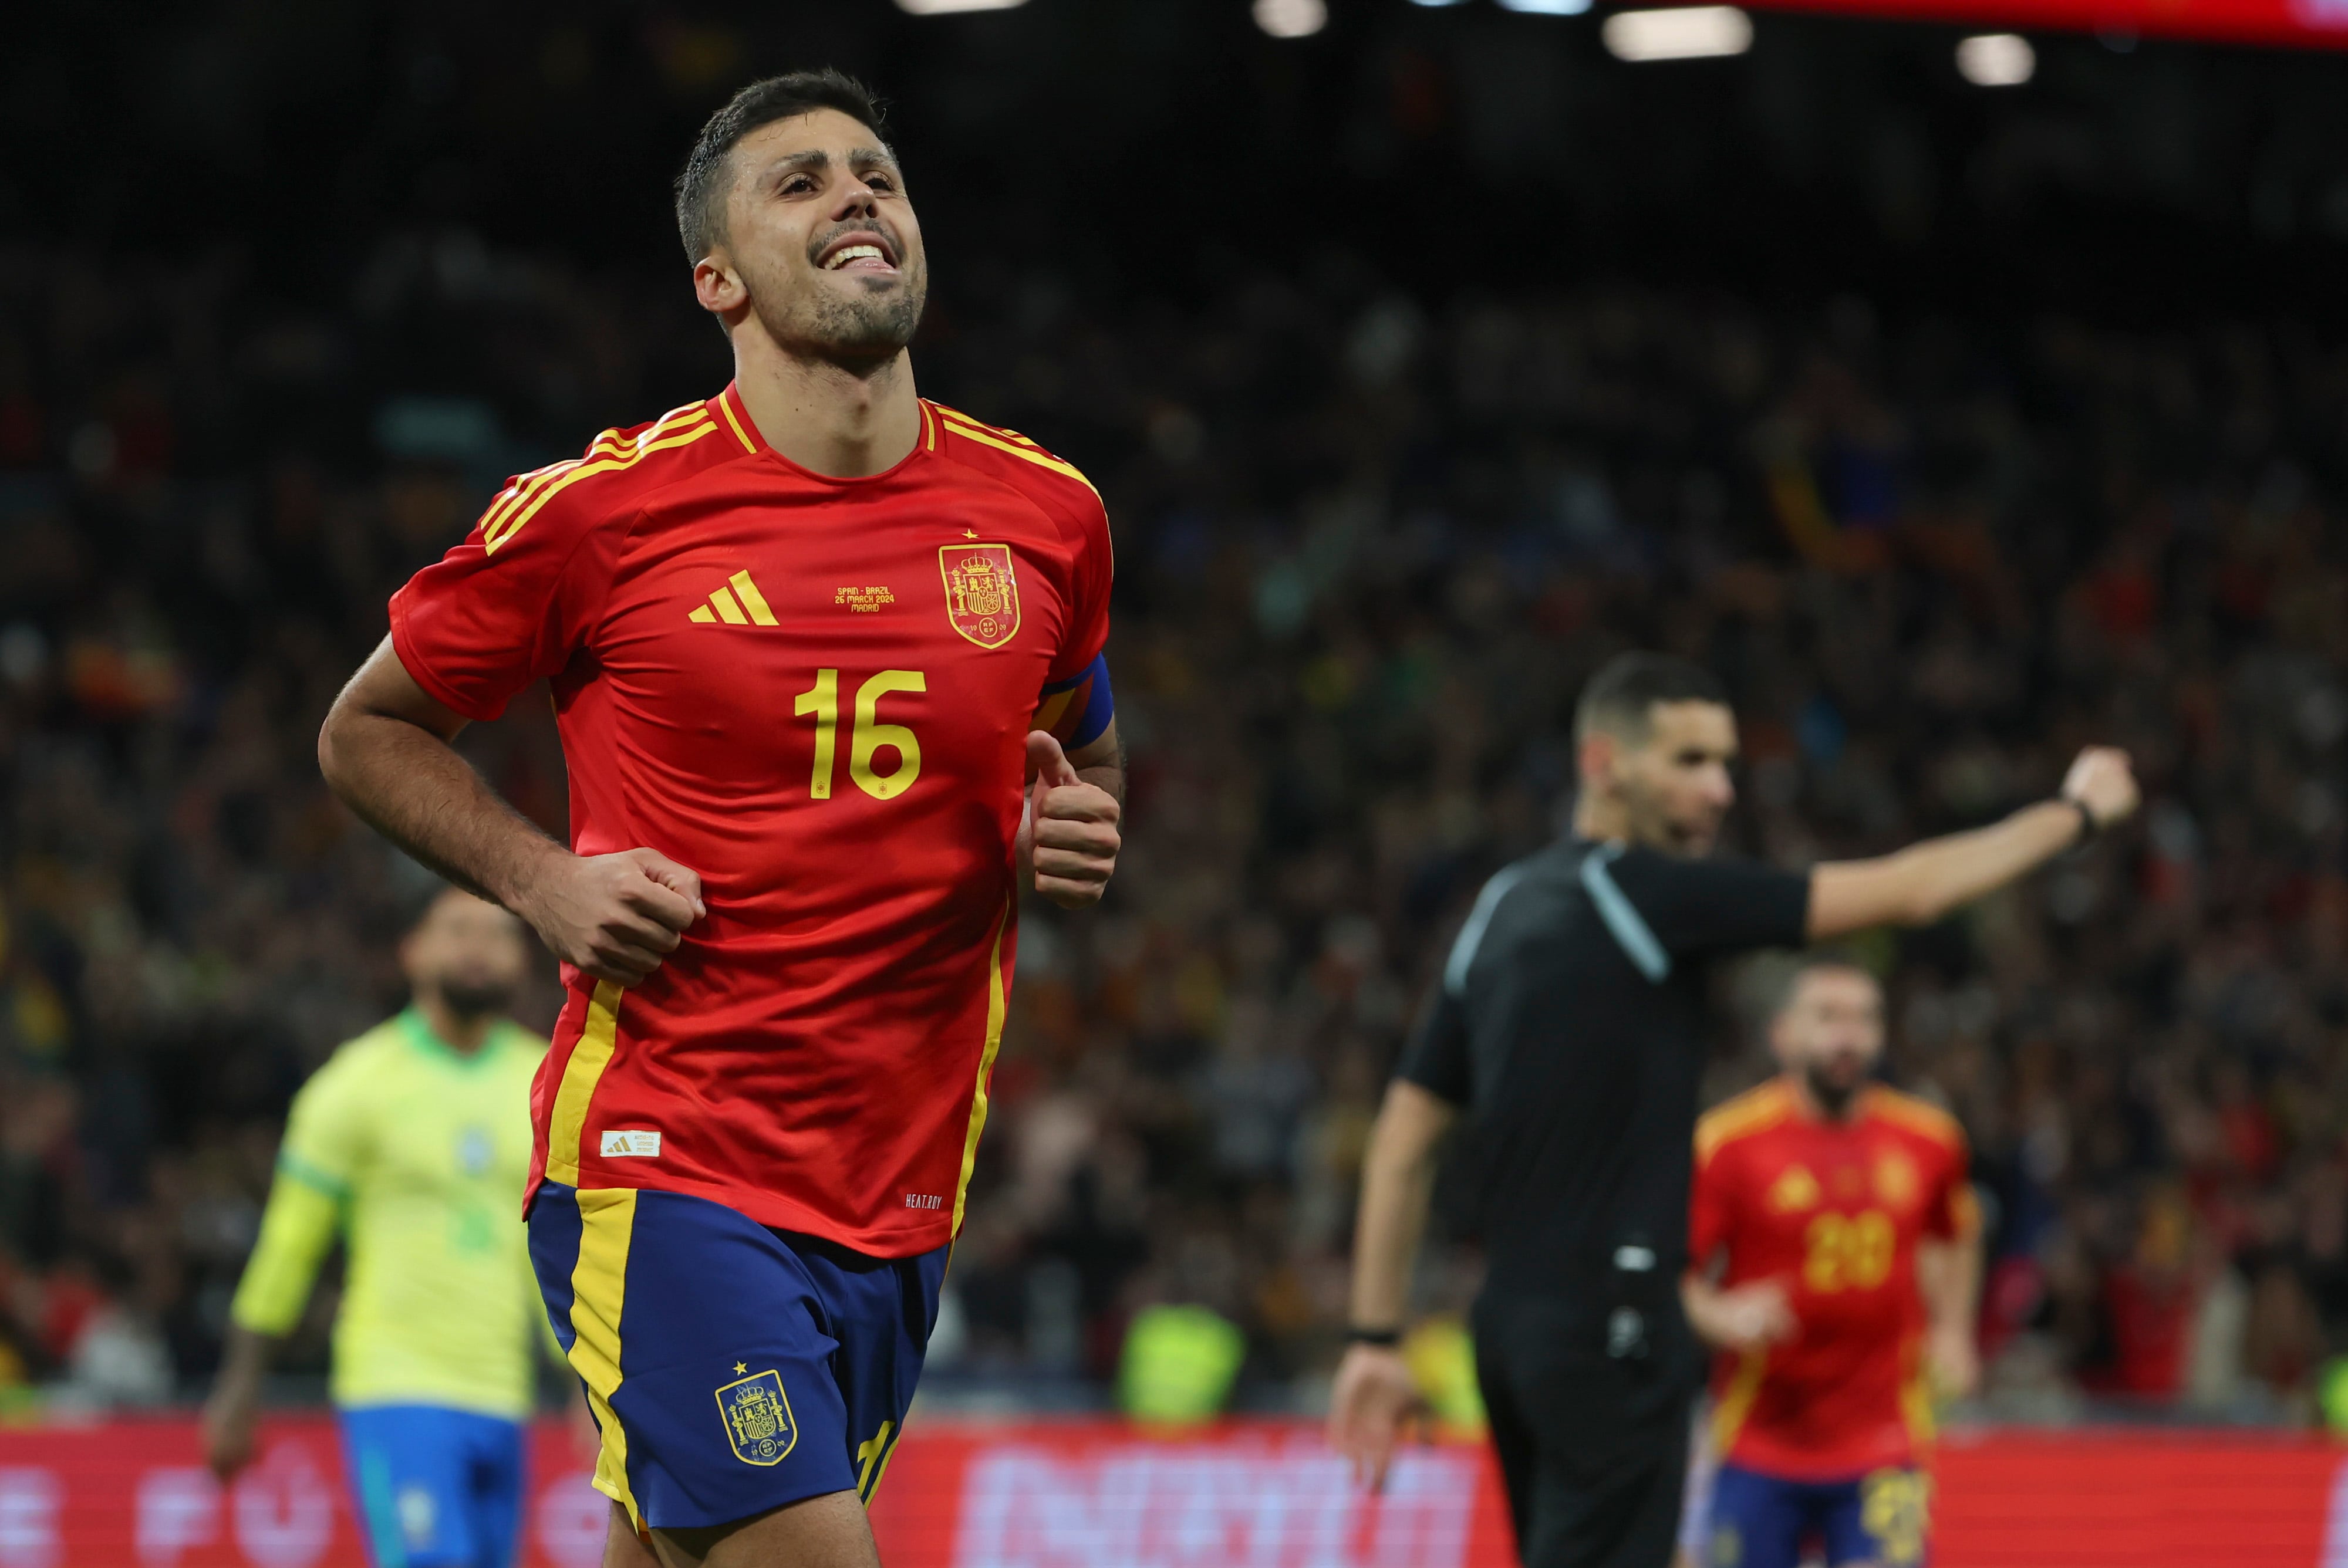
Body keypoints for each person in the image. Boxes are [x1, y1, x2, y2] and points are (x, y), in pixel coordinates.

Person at [314, 69, 1124, 1568]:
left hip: (898, 1187)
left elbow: (1082, 750)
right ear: (717, 278)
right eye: (799, 182)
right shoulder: (602, 513)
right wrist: (542, 879)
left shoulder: (1044, 516)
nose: (855, 197)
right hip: (665, 1156)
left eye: (874, 173)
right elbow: (364, 729)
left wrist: (1057, 835)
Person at [1328, 651, 2136, 1568]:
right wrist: (2076, 816)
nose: (1718, 791)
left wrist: (1373, 1336)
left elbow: (1403, 1136)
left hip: (1511, 1333)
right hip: (1617, 1329)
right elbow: (1913, 888)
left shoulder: (1501, 908)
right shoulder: (1650, 894)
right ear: (1604, 764)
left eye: (1725, 765)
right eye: (1688, 762)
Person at [203, 889, 549, 1568]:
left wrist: (583, 1384)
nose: (478, 947)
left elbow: (556, 1250)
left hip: (505, 1391)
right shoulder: (355, 1085)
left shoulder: (544, 1079)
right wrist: (239, 1387)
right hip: (397, 1382)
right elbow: (287, 1247)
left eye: (498, 932)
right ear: (410, 950)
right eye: (456, 929)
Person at [1680, 957, 1981, 1568]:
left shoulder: (1928, 1140)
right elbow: (1672, 1276)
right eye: (1827, 1017)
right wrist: (1719, 1314)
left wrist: (1953, 1328)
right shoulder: (1727, 1144)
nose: (1847, 1036)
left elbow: (1955, 1232)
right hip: (1757, 1438)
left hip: (1885, 1438)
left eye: (1864, 1019)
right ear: (1782, 1033)